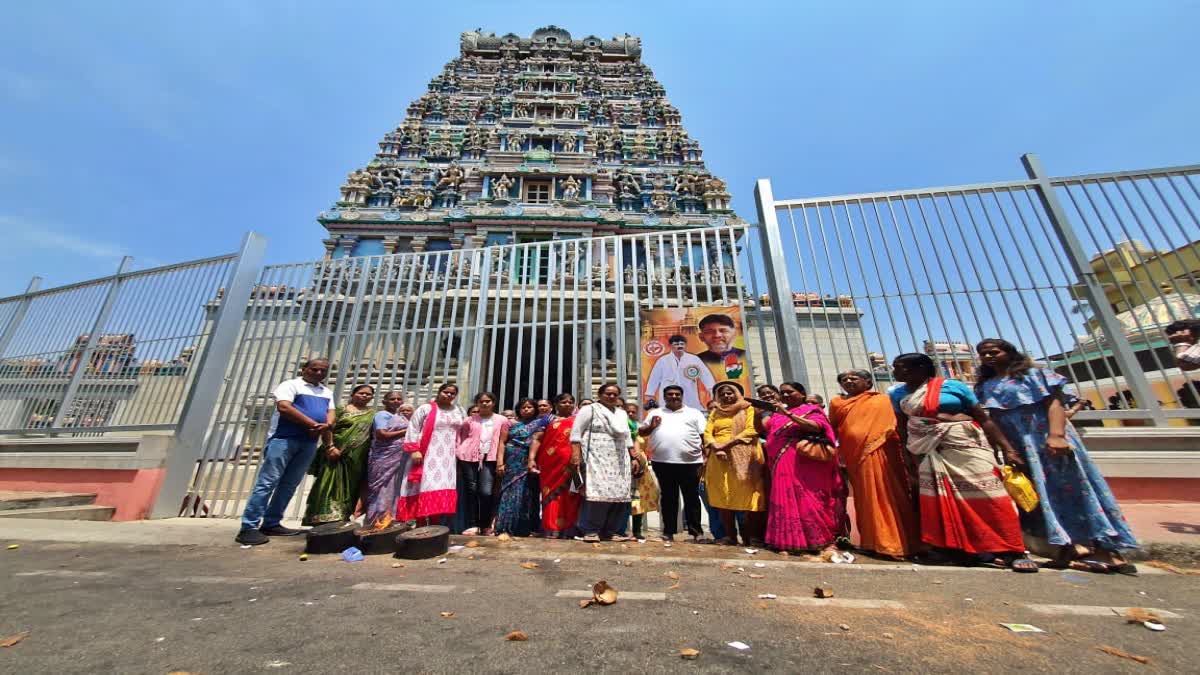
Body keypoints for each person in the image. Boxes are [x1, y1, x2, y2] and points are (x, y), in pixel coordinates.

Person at [975, 339, 1138, 574]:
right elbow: (991, 418)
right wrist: (1006, 448)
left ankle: (1106, 550)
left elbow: (1055, 403)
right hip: (1018, 445)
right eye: (983, 354)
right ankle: (1065, 548)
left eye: (994, 352)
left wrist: (1056, 435)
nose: (988, 357)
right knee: (1037, 495)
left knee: (1074, 489)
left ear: (1010, 353)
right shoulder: (986, 385)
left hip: (1045, 437)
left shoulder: (1034, 374)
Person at [889, 353, 1037, 571]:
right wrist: (907, 456)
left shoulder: (953, 386)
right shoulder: (898, 394)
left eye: (900, 367)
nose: (895, 372)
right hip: (925, 449)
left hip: (965, 445)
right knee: (938, 499)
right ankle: (949, 549)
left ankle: (1011, 549)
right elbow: (902, 427)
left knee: (989, 495)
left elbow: (984, 418)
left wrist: (1008, 449)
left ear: (920, 368)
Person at [237, 358, 336, 545]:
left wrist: (328, 426)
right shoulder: (290, 385)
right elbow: (284, 407)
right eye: (314, 369)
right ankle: (248, 526)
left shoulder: (326, 391)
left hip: (308, 442)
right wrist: (313, 424)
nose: (318, 373)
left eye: (323, 370)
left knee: (290, 484)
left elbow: (330, 412)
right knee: (267, 482)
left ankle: (272, 522)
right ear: (304, 369)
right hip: (284, 439)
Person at [828, 370, 920, 559]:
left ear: (868, 382)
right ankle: (871, 542)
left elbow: (896, 426)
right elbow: (832, 429)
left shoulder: (882, 400)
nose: (848, 381)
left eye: (854, 378)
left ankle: (895, 544)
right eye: (844, 380)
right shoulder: (838, 403)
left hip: (883, 454)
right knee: (865, 499)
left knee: (888, 496)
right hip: (855, 458)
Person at [756, 381, 847, 555]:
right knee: (784, 498)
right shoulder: (777, 415)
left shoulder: (812, 410)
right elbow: (765, 429)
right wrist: (757, 415)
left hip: (803, 463)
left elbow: (816, 427)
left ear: (802, 394)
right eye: (782, 393)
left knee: (808, 498)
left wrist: (788, 414)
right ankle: (787, 542)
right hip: (780, 464)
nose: (785, 396)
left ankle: (820, 540)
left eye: (790, 392)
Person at [570, 383, 637, 542]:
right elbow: (576, 433)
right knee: (596, 493)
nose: (612, 397)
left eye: (615, 394)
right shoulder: (590, 410)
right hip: (595, 456)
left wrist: (633, 457)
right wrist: (576, 456)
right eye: (608, 393)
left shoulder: (621, 413)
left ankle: (612, 531)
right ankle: (590, 530)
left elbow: (627, 436)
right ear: (600, 395)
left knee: (619, 495)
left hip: (619, 458)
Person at [641, 385, 707, 541]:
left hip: (691, 463)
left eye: (677, 394)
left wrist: (706, 457)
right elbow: (642, 432)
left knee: (691, 497)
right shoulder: (655, 413)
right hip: (662, 462)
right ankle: (668, 532)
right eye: (670, 394)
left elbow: (704, 436)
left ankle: (696, 532)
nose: (674, 396)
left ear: (682, 396)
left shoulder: (694, 413)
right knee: (668, 497)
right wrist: (652, 426)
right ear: (664, 397)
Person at [703, 381, 766, 546]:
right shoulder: (716, 412)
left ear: (737, 394)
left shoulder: (748, 408)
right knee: (723, 496)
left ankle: (751, 537)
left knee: (748, 496)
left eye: (729, 393)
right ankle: (730, 536)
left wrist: (726, 444)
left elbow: (751, 430)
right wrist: (715, 445)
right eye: (722, 394)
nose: (725, 396)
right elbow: (708, 432)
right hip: (719, 458)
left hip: (745, 457)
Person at [303, 384, 376, 525]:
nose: (365, 396)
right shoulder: (341, 409)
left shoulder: (372, 414)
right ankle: (323, 516)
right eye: (361, 393)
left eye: (368, 394)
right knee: (330, 482)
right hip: (336, 452)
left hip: (358, 457)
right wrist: (330, 447)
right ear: (353, 394)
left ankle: (343, 515)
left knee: (351, 485)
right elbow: (327, 428)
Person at [398, 383, 466, 526]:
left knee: (441, 487)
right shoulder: (426, 408)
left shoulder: (459, 410)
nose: (449, 395)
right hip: (427, 454)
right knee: (424, 485)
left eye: (452, 393)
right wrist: (414, 450)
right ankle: (421, 523)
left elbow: (464, 430)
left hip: (448, 457)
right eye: (446, 392)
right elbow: (413, 428)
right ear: (439, 392)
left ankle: (436, 523)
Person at [456, 392, 509, 535]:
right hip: (468, 457)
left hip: (489, 458)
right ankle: (473, 525)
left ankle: (485, 524)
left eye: (488, 401)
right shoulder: (469, 420)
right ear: (477, 403)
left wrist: (500, 461)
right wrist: (458, 456)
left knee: (485, 492)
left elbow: (502, 441)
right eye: (481, 401)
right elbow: (461, 438)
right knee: (471, 491)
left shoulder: (502, 420)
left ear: (493, 403)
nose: (485, 404)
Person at [529, 393, 580, 538]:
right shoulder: (547, 419)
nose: (568, 404)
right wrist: (531, 459)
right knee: (550, 494)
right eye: (564, 402)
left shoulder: (578, 420)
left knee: (572, 494)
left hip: (573, 463)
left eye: (571, 402)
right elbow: (537, 439)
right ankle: (551, 528)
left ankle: (570, 529)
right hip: (550, 464)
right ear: (556, 405)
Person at [494, 398, 548, 536]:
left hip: (531, 459)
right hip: (512, 460)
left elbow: (540, 440)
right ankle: (505, 526)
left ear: (535, 409)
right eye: (523, 407)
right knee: (509, 491)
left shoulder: (541, 422)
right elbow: (502, 442)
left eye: (530, 407)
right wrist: (500, 462)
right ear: (518, 409)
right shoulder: (510, 423)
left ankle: (527, 527)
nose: (526, 409)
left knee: (529, 492)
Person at [363, 391, 410, 530]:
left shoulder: (400, 417)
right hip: (383, 458)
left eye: (398, 399)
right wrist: (405, 431)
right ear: (384, 402)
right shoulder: (382, 415)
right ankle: (374, 522)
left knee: (393, 490)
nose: (396, 401)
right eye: (392, 399)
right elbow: (381, 434)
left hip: (398, 459)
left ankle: (389, 521)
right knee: (381, 490)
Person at [643, 334, 715, 411]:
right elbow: (654, 377)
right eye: (676, 344)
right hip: (669, 393)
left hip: (689, 392)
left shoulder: (694, 359)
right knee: (668, 413)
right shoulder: (663, 360)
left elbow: (705, 374)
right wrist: (650, 393)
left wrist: (711, 388)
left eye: (682, 344)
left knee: (691, 411)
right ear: (670, 346)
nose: (679, 346)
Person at [625, 400, 659, 541]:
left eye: (634, 412)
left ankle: (637, 531)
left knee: (638, 501)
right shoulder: (621, 427)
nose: (631, 414)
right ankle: (620, 529)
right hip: (623, 466)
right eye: (628, 411)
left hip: (640, 469)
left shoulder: (641, 428)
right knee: (623, 500)